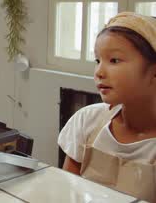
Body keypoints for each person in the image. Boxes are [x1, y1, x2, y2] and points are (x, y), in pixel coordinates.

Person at [58, 12, 156, 201]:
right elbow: (67, 194)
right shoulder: (87, 120)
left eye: (114, 60)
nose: (99, 72)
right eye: (97, 60)